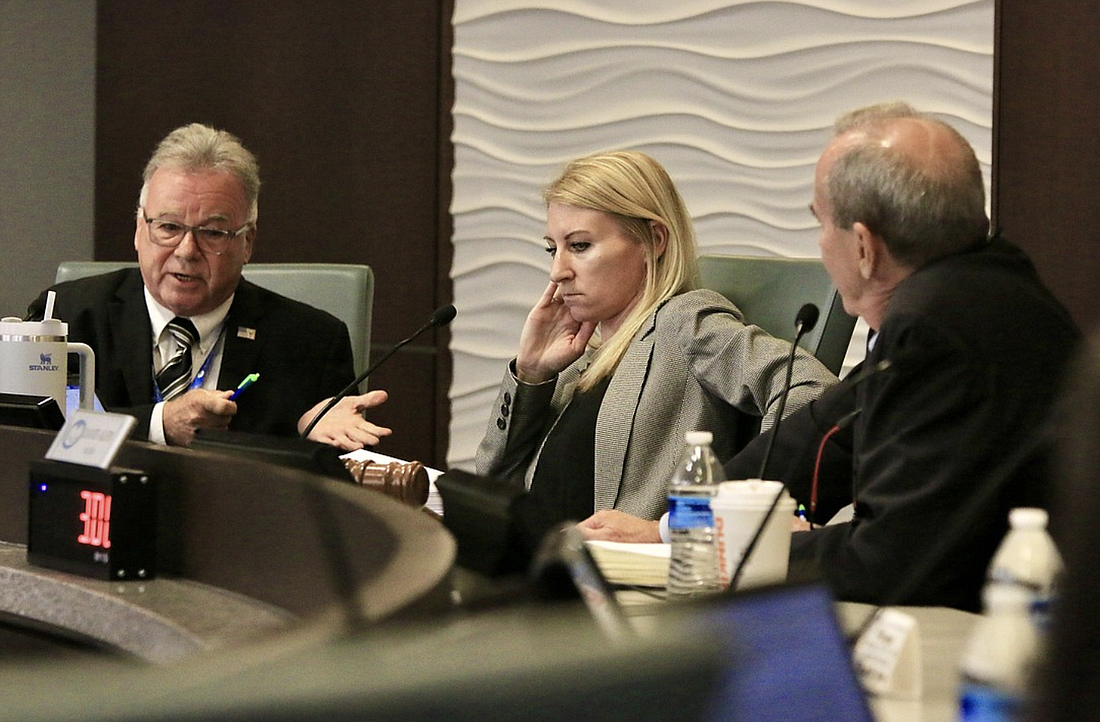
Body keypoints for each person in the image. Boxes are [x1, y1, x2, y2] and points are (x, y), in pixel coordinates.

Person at [581, 102, 1081, 612]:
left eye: (822, 225)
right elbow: (826, 432)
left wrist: (747, 546)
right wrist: (678, 524)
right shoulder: (981, 291)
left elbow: (887, 563)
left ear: (863, 246)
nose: (822, 245)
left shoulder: (942, 331)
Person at [475, 150, 836, 536]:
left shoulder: (684, 322)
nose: (557, 271)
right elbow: (493, 485)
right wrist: (531, 375)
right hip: (547, 574)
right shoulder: (578, 361)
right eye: (553, 248)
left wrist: (687, 528)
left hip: (635, 586)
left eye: (579, 246)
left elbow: (814, 393)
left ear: (654, 240)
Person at [26, 123, 389, 450]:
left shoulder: (311, 343)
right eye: (168, 227)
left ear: (247, 242)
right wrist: (159, 424)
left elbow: (345, 487)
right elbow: (28, 435)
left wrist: (306, 438)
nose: (186, 251)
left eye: (212, 233)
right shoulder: (67, 316)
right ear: (139, 230)